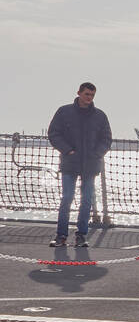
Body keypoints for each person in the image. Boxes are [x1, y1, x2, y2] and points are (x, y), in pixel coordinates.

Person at [47, 82, 112, 246]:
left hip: (90, 165)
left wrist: (96, 154)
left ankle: (81, 236)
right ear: (79, 93)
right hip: (70, 163)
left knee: (86, 200)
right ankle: (61, 236)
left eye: (92, 95)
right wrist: (67, 150)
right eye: (87, 94)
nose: (89, 98)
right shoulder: (64, 112)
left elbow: (106, 139)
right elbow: (54, 133)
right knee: (67, 198)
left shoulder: (100, 116)